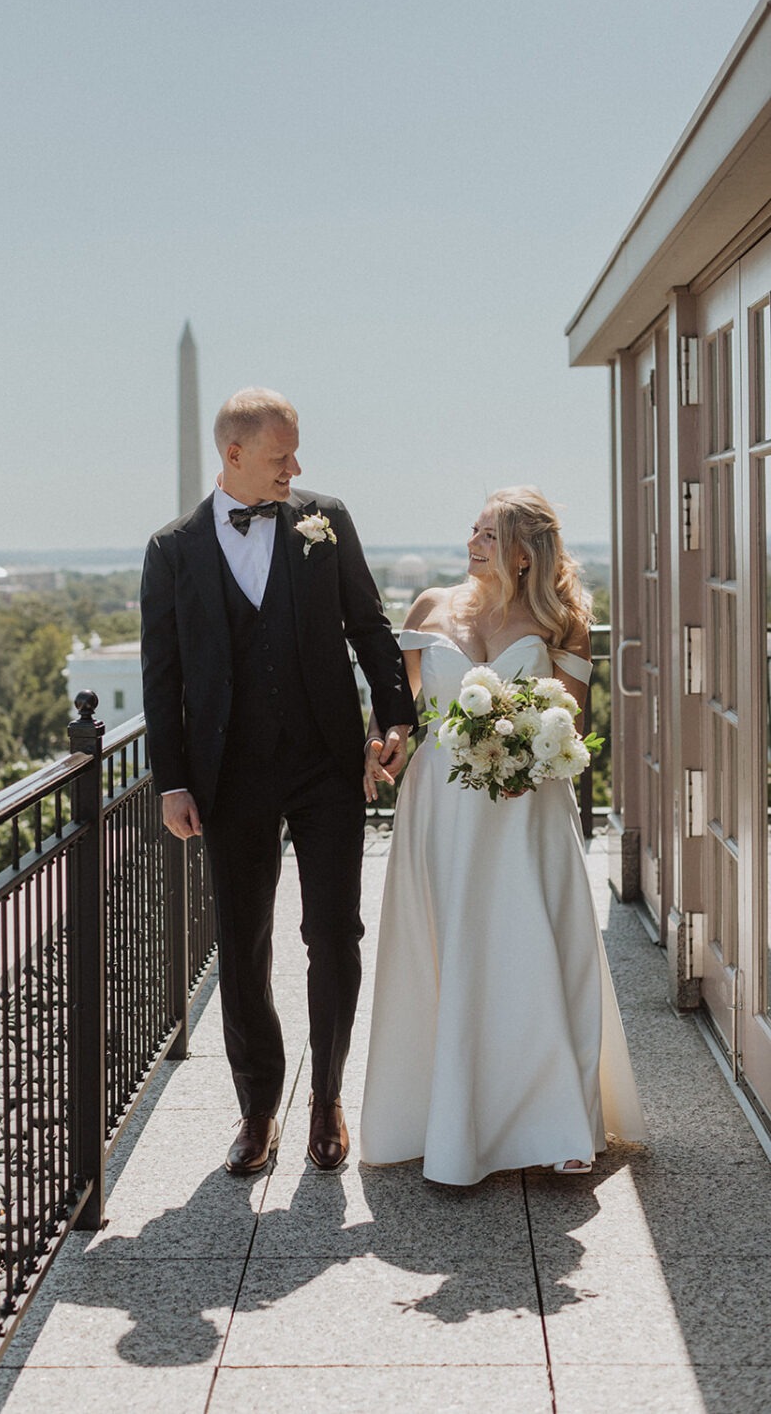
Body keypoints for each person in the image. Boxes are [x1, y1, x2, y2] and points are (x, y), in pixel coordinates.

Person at [141, 387, 416, 1175]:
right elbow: (162, 678)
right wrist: (172, 782)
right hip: (229, 778)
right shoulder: (172, 549)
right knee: (244, 943)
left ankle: (326, 1098)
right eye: (280, 456)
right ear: (233, 455)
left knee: (334, 935)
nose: (296, 469)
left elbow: (368, 625)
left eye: (295, 455)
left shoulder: (325, 521)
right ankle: (258, 1108)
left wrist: (394, 718)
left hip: (328, 763)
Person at [360, 486, 646, 1185]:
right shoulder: (431, 605)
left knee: (534, 948)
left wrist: (532, 757)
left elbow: (572, 720)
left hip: (526, 810)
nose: (473, 542)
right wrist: (384, 739)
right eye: (474, 530)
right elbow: (398, 708)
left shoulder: (566, 622)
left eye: (489, 534)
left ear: (525, 553)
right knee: (450, 947)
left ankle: (560, 1122)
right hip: (442, 807)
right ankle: (446, 1116)